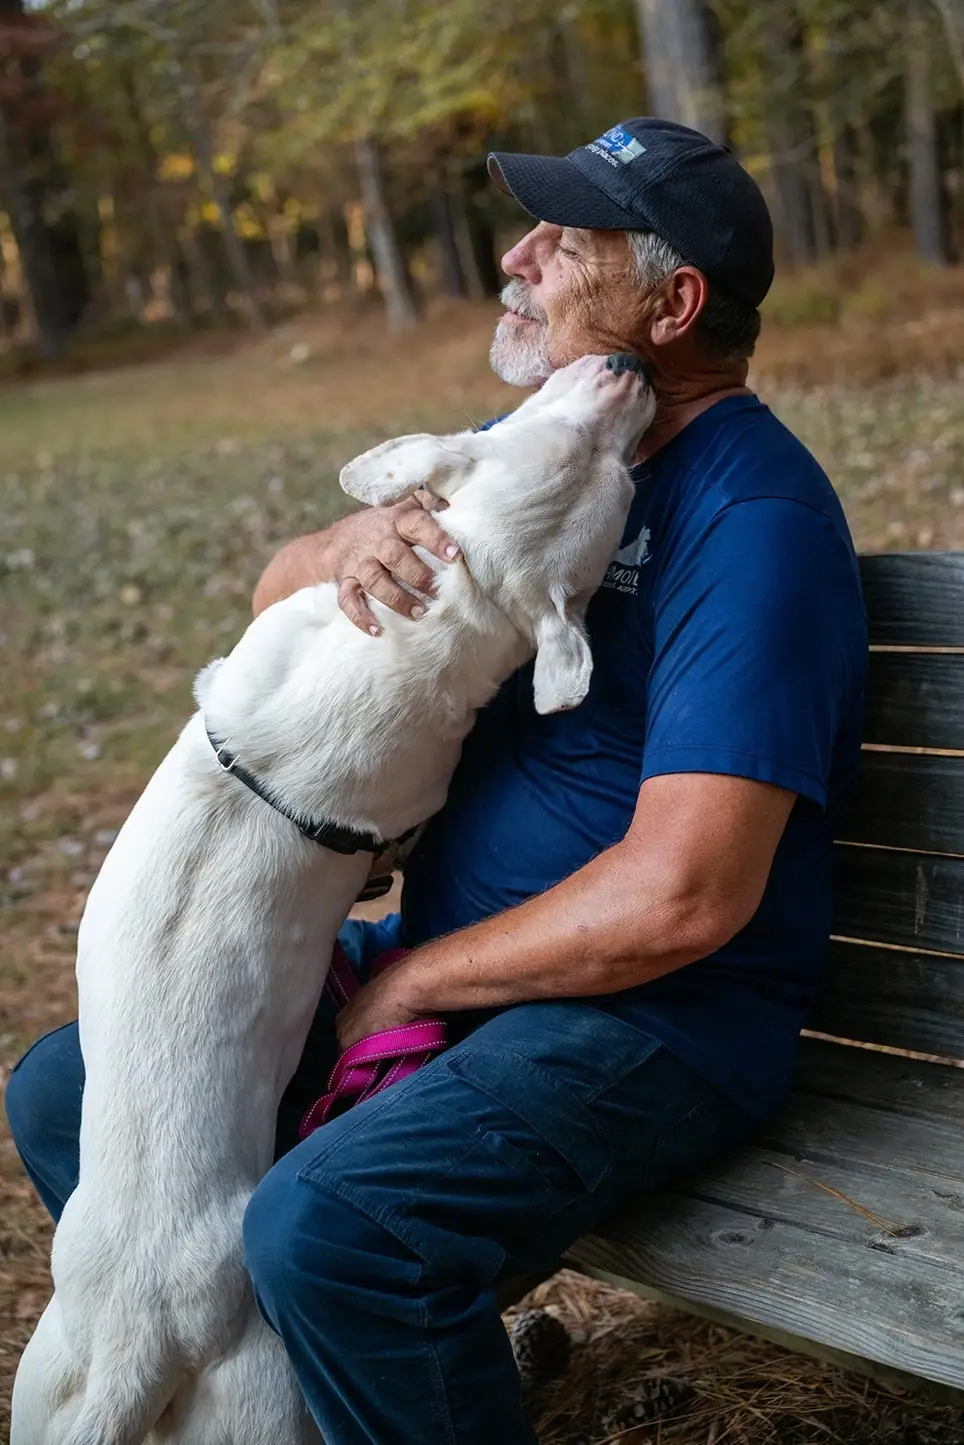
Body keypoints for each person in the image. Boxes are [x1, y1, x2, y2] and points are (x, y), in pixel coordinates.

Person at [6, 119, 868, 1445]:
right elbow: (277, 589)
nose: (517, 257)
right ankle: (256, 1409)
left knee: (342, 1227)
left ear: (673, 303)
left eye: (566, 245)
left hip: (654, 1024)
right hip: (472, 969)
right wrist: (344, 546)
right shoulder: (551, 444)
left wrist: (410, 983)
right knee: (66, 1090)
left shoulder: (753, 525)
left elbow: (686, 897)